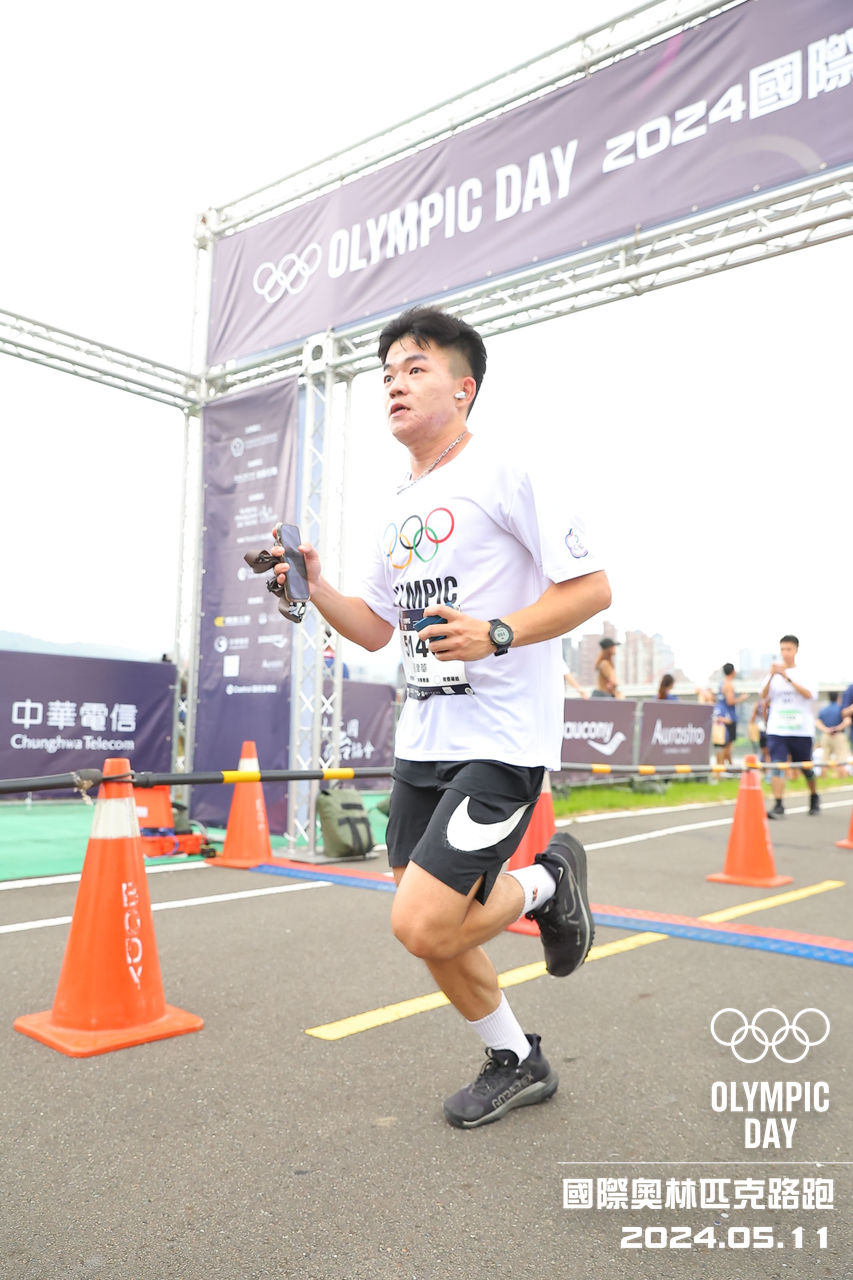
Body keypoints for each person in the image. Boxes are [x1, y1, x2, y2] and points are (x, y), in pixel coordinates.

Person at [272, 306, 611, 1128]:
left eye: (415, 367)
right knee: (436, 926)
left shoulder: (506, 471)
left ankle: (546, 881)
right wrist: (315, 587)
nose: (394, 381)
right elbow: (374, 629)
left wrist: (498, 632)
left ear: (463, 390)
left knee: (422, 924)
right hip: (423, 740)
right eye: (388, 372)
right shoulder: (397, 505)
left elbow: (591, 588)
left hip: (500, 738)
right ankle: (516, 1059)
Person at [760, 635, 819, 818]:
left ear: (796, 650)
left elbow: (809, 695)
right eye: (782, 649)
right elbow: (763, 696)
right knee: (778, 764)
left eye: (788, 649)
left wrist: (787, 678)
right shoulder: (772, 675)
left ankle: (814, 796)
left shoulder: (804, 673)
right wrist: (772, 675)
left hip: (801, 729)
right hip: (777, 728)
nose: (785, 653)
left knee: (805, 766)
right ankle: (778, 804)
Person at [712, 663, 748, 768]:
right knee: (727, 747)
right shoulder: (728, 685)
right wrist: (742, 698)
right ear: (733, 671)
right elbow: (730, 701)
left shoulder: (722, 683)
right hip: (728, 718)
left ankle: (727, 768)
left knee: (723, 746)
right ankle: (722, 769)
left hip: (721, 716)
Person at [816, 692, 850, 777]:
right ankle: (841, 777)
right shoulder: (841, 709)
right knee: (841, 758)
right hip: (839, 735)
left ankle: (823, 777)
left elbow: (817, 722)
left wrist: (826, 730)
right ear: (838, 698)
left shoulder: (824, 709)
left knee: (824, 758)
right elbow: (847, 721)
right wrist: (836, 729)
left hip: (826, 736)